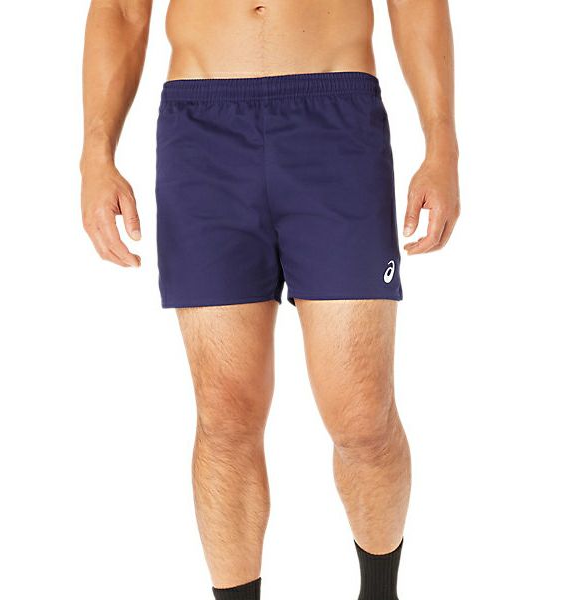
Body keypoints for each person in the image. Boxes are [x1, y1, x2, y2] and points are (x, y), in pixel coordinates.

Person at [80, 1, 460, 598]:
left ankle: (380, 592)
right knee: (226, 417)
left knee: (362, 419)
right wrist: (96, 154)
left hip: (335, 119)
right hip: (202, 130)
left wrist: (442, 145)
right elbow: (123, 11)